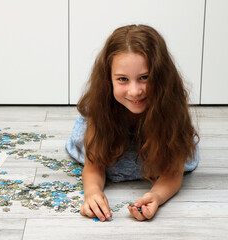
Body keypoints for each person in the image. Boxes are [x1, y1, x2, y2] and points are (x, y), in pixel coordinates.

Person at [66, 24, 199, 221]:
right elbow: (93, 167)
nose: (135, 91)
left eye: (145, 77)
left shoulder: (170, 110)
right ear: (108, 79)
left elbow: (173, 172)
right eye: (122, 79)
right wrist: (92, 193)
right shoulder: (100, 111)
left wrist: (155, 196)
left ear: (162, 77)